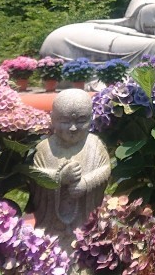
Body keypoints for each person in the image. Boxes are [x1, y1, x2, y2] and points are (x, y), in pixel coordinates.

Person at [30, 89, 111, 248]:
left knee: (88, 241)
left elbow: (105, 169)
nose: (73, 128)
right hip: (52, 225)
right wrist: (59, 178)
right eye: (65, 121)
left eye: (81, 121)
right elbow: (35, 177)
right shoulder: (44, 149)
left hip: (84, 218)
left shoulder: (95, 145)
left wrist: (86, 184)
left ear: (91, 117)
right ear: (52, 119)